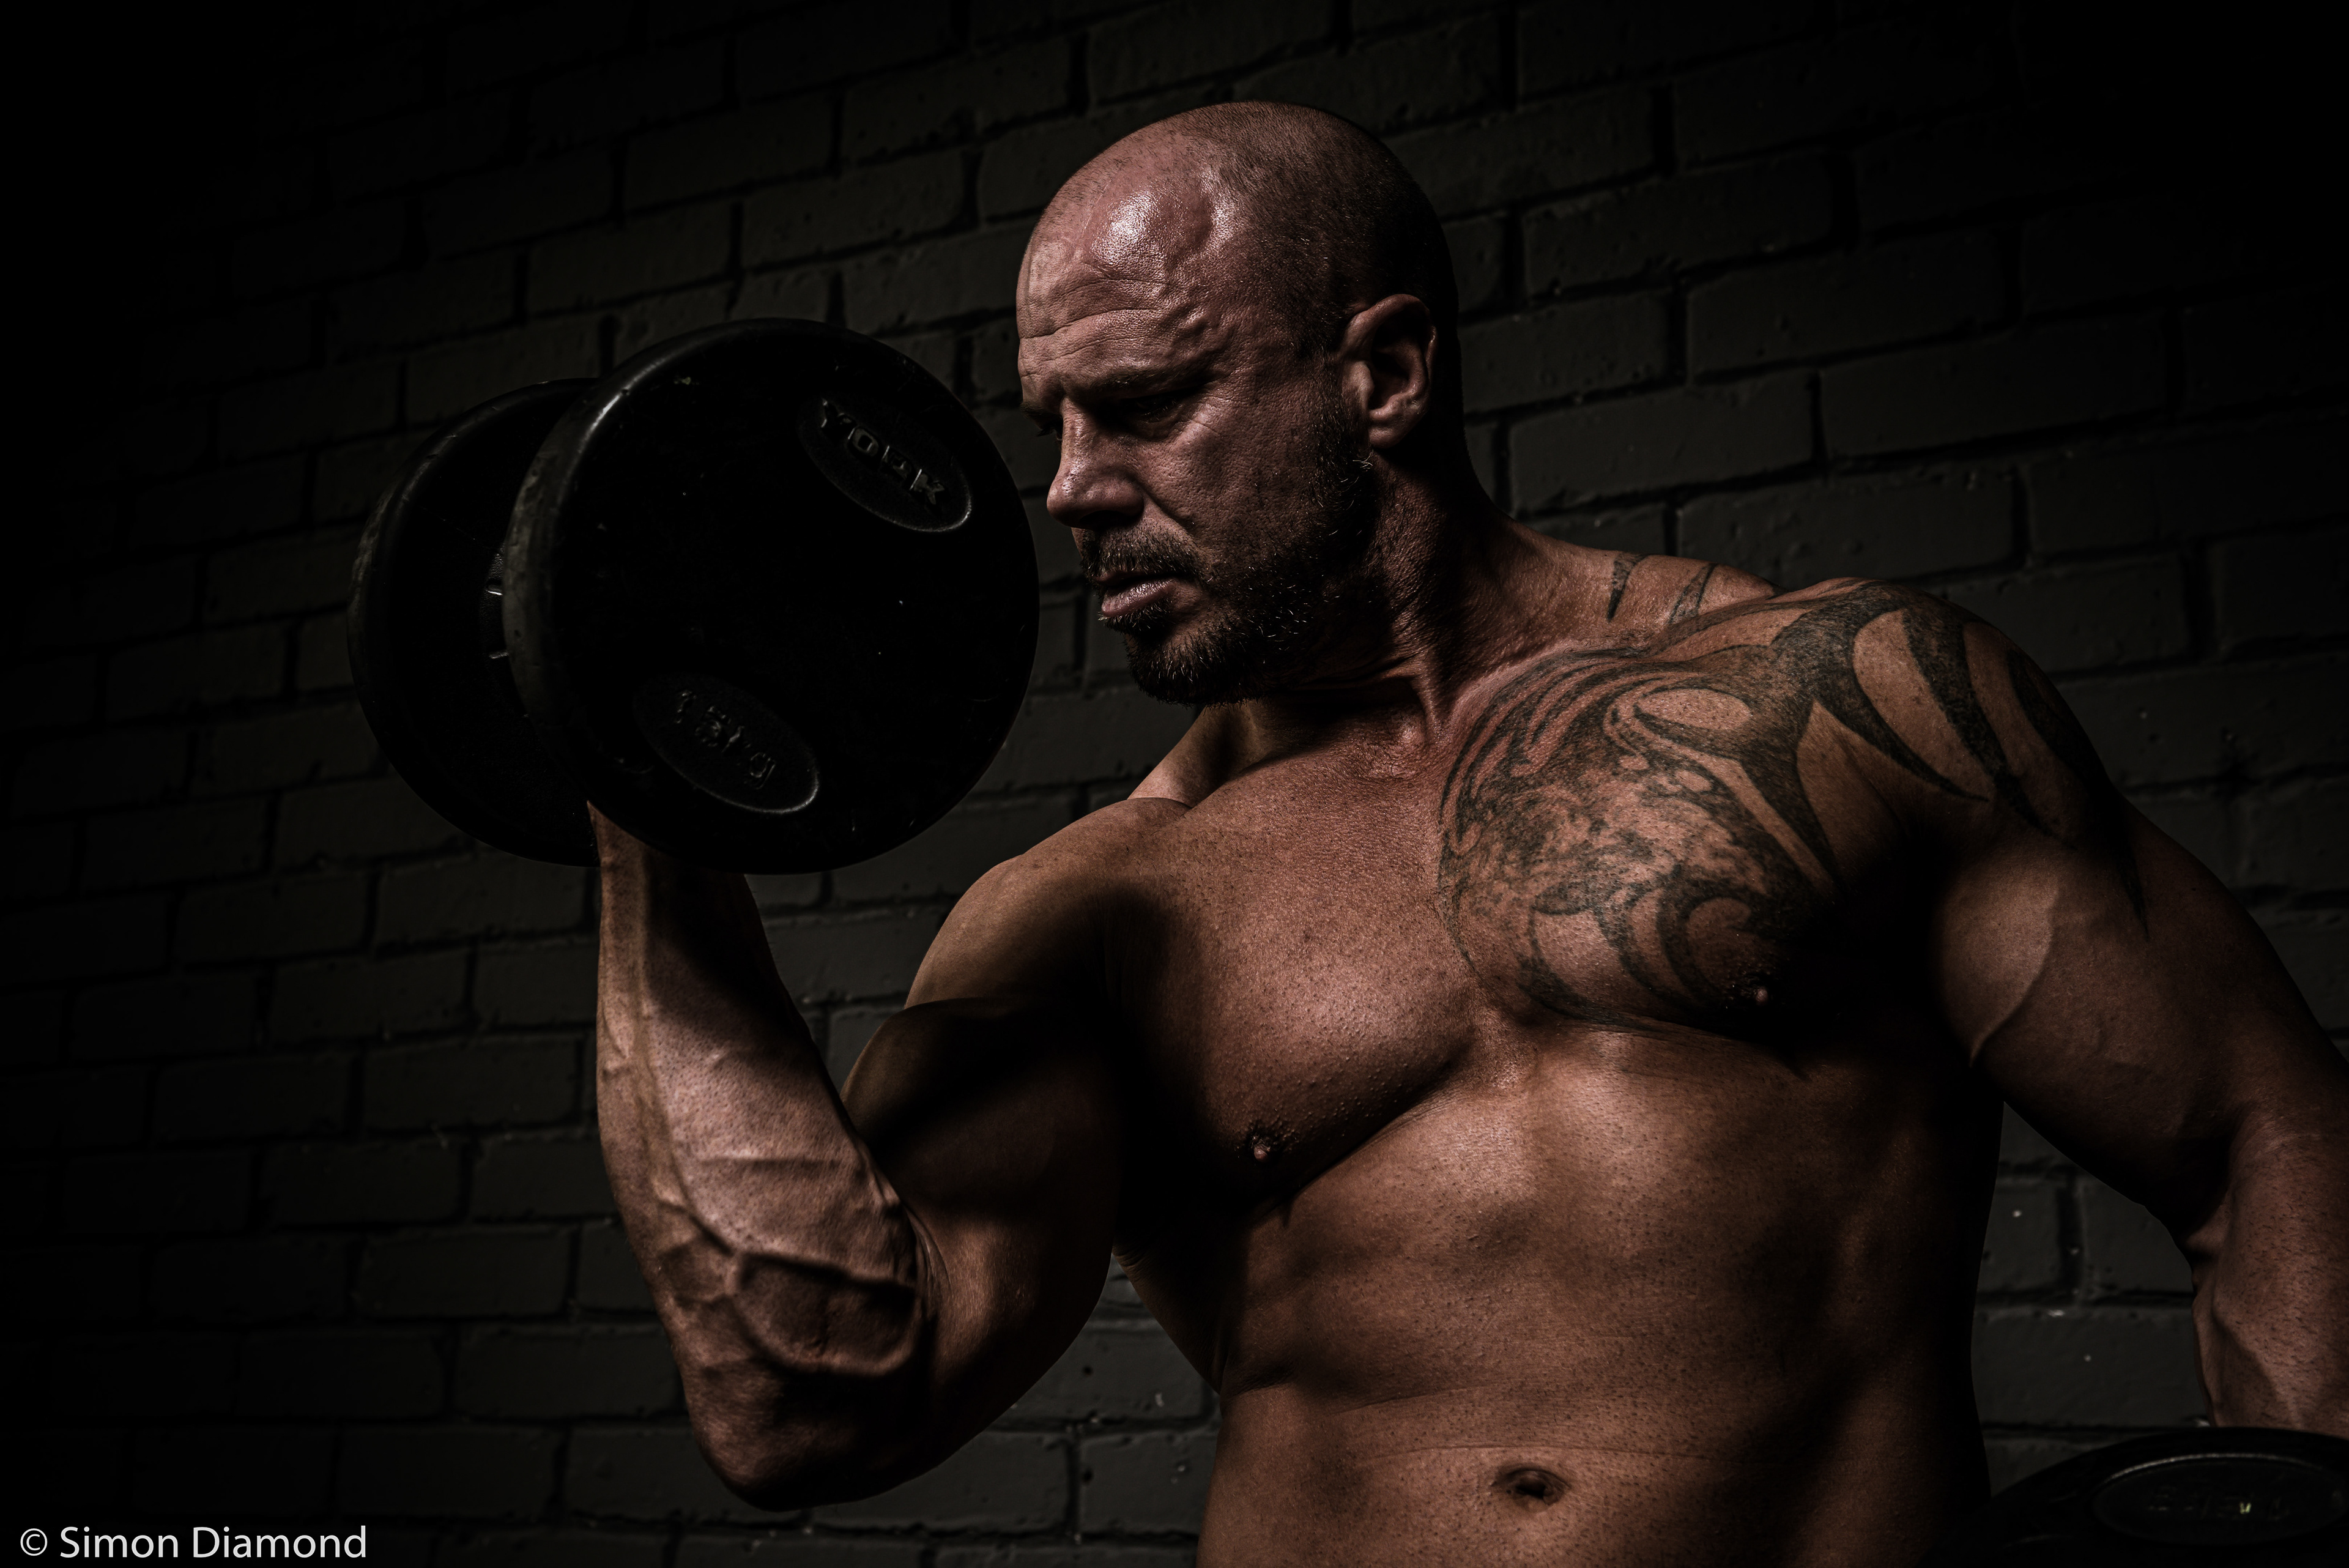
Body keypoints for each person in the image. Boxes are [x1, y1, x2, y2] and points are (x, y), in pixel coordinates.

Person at [590, 103, 2349, 1564]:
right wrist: (643, 778)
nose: (1070, 488)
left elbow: (2263, 1134)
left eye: (1142, 404)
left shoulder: (1840, 709)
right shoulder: (1100, 911)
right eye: (1050, 423)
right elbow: (816, 1401)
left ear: (1384, 374)